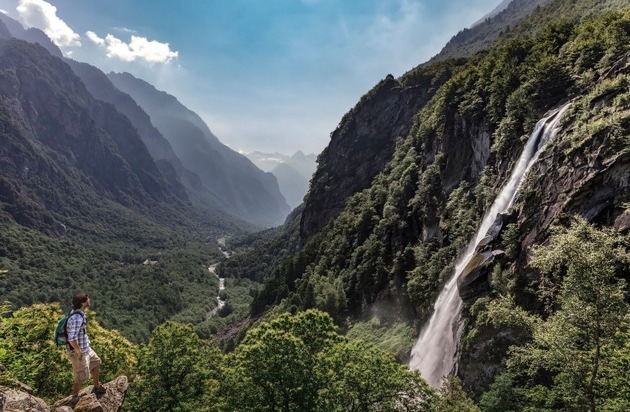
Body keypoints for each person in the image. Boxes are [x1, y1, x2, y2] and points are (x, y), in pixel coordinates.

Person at [66, 292, 106, 401]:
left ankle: (97, 386)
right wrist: (79, 351)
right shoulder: (77, 318)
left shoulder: (78, 314)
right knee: (80, 377)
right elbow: (71, 338)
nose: (89, 300)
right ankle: (74, 399)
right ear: (83, 303)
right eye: (88, 299)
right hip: (79, 352)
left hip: (86, 348)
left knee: (96, 362)